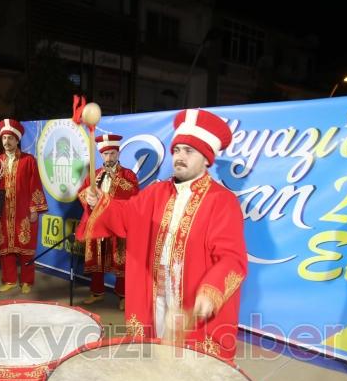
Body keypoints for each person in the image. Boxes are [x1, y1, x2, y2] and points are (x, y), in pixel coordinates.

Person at [80, 109, 247, 361]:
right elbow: (125, 215)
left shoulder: (222, 202)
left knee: (191, 365)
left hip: (191, 294)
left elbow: (232, 258)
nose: (179, 157)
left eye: (189, 151)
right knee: (154, 353)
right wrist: (100, 202)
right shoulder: (156, 192)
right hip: (153, 291)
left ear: (206, 159)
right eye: (177, 150)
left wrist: (212, 290)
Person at [77, 134, 139, 309]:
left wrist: (116, 178)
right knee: (97, 258)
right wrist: (87, 198)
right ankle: (97, 292)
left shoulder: (128, 174)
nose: (109, 158)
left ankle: (123, 295)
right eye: (105, 154)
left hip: (118, 223)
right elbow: (82, 193)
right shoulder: (94, 174)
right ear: (101, 156)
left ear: (118, 154)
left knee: (120, 258)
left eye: (112, 153)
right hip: (98, 222)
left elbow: (134, 194)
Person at [0, 118, 47, 294]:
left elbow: (35, 185)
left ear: (17, 140)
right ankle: (9, 279)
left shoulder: (28, 160)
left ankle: (27, 280)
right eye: (4, 138)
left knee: (25, 247)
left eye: (10, 138)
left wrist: (34, 208)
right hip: (3, 212)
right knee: (5, 247)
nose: (7, 142)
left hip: (24, 210)